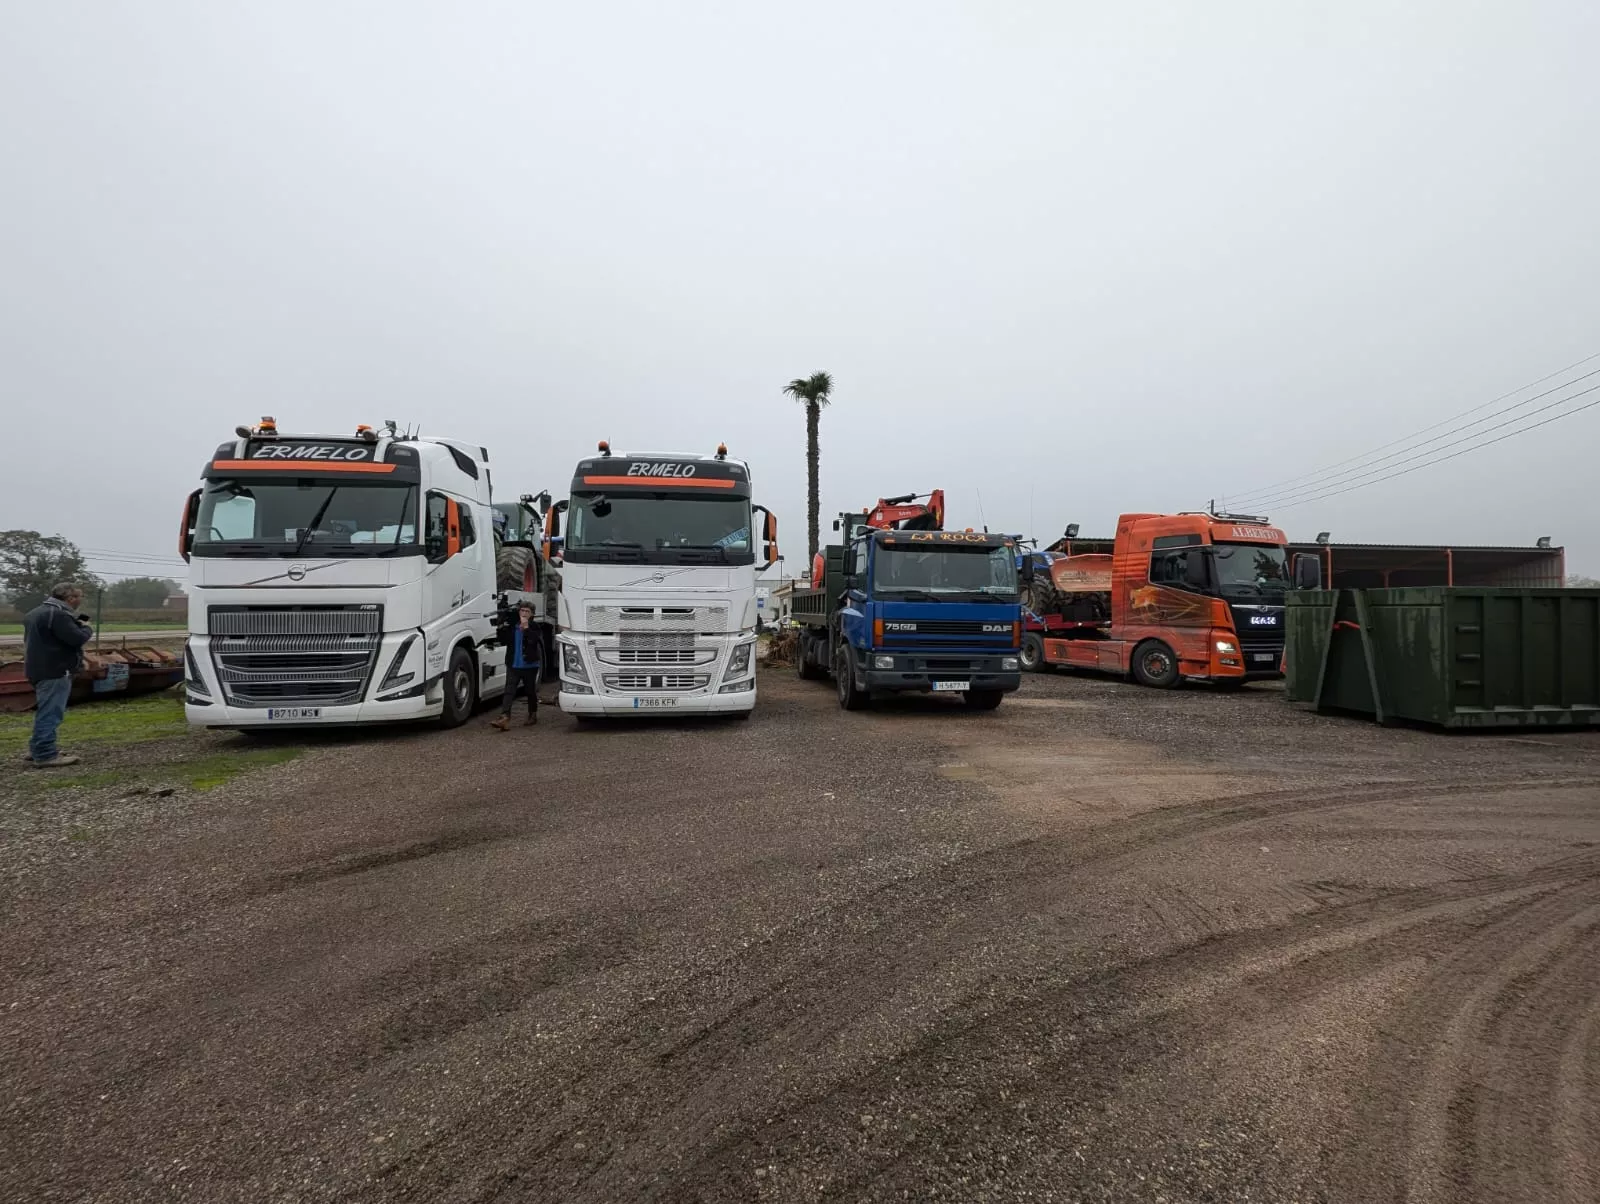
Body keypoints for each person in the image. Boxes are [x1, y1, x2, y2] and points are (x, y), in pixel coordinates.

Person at [23, 582, 93, 767]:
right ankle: (45, 754)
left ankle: (37, 748)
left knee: (45, 710)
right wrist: (86, 627)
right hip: (55, 670)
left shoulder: (35, 613)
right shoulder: (59, 615)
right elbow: (76, 639)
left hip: (36, 668)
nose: (80, 600)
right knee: (51, 712)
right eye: (79, 597)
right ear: (70, 598)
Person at [490, 600, 542, 729]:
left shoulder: (535, 626)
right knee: (509, 691)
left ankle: (532, 714)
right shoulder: (513, 626)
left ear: (532, 614)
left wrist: (526, 629)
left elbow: (534, 640)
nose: (524, 613)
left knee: (530, 691)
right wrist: (501, 626)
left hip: (529, 665)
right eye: (522, 611)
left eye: (527, 611)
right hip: (513, 664)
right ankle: (504, 717)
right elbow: (502, 640)